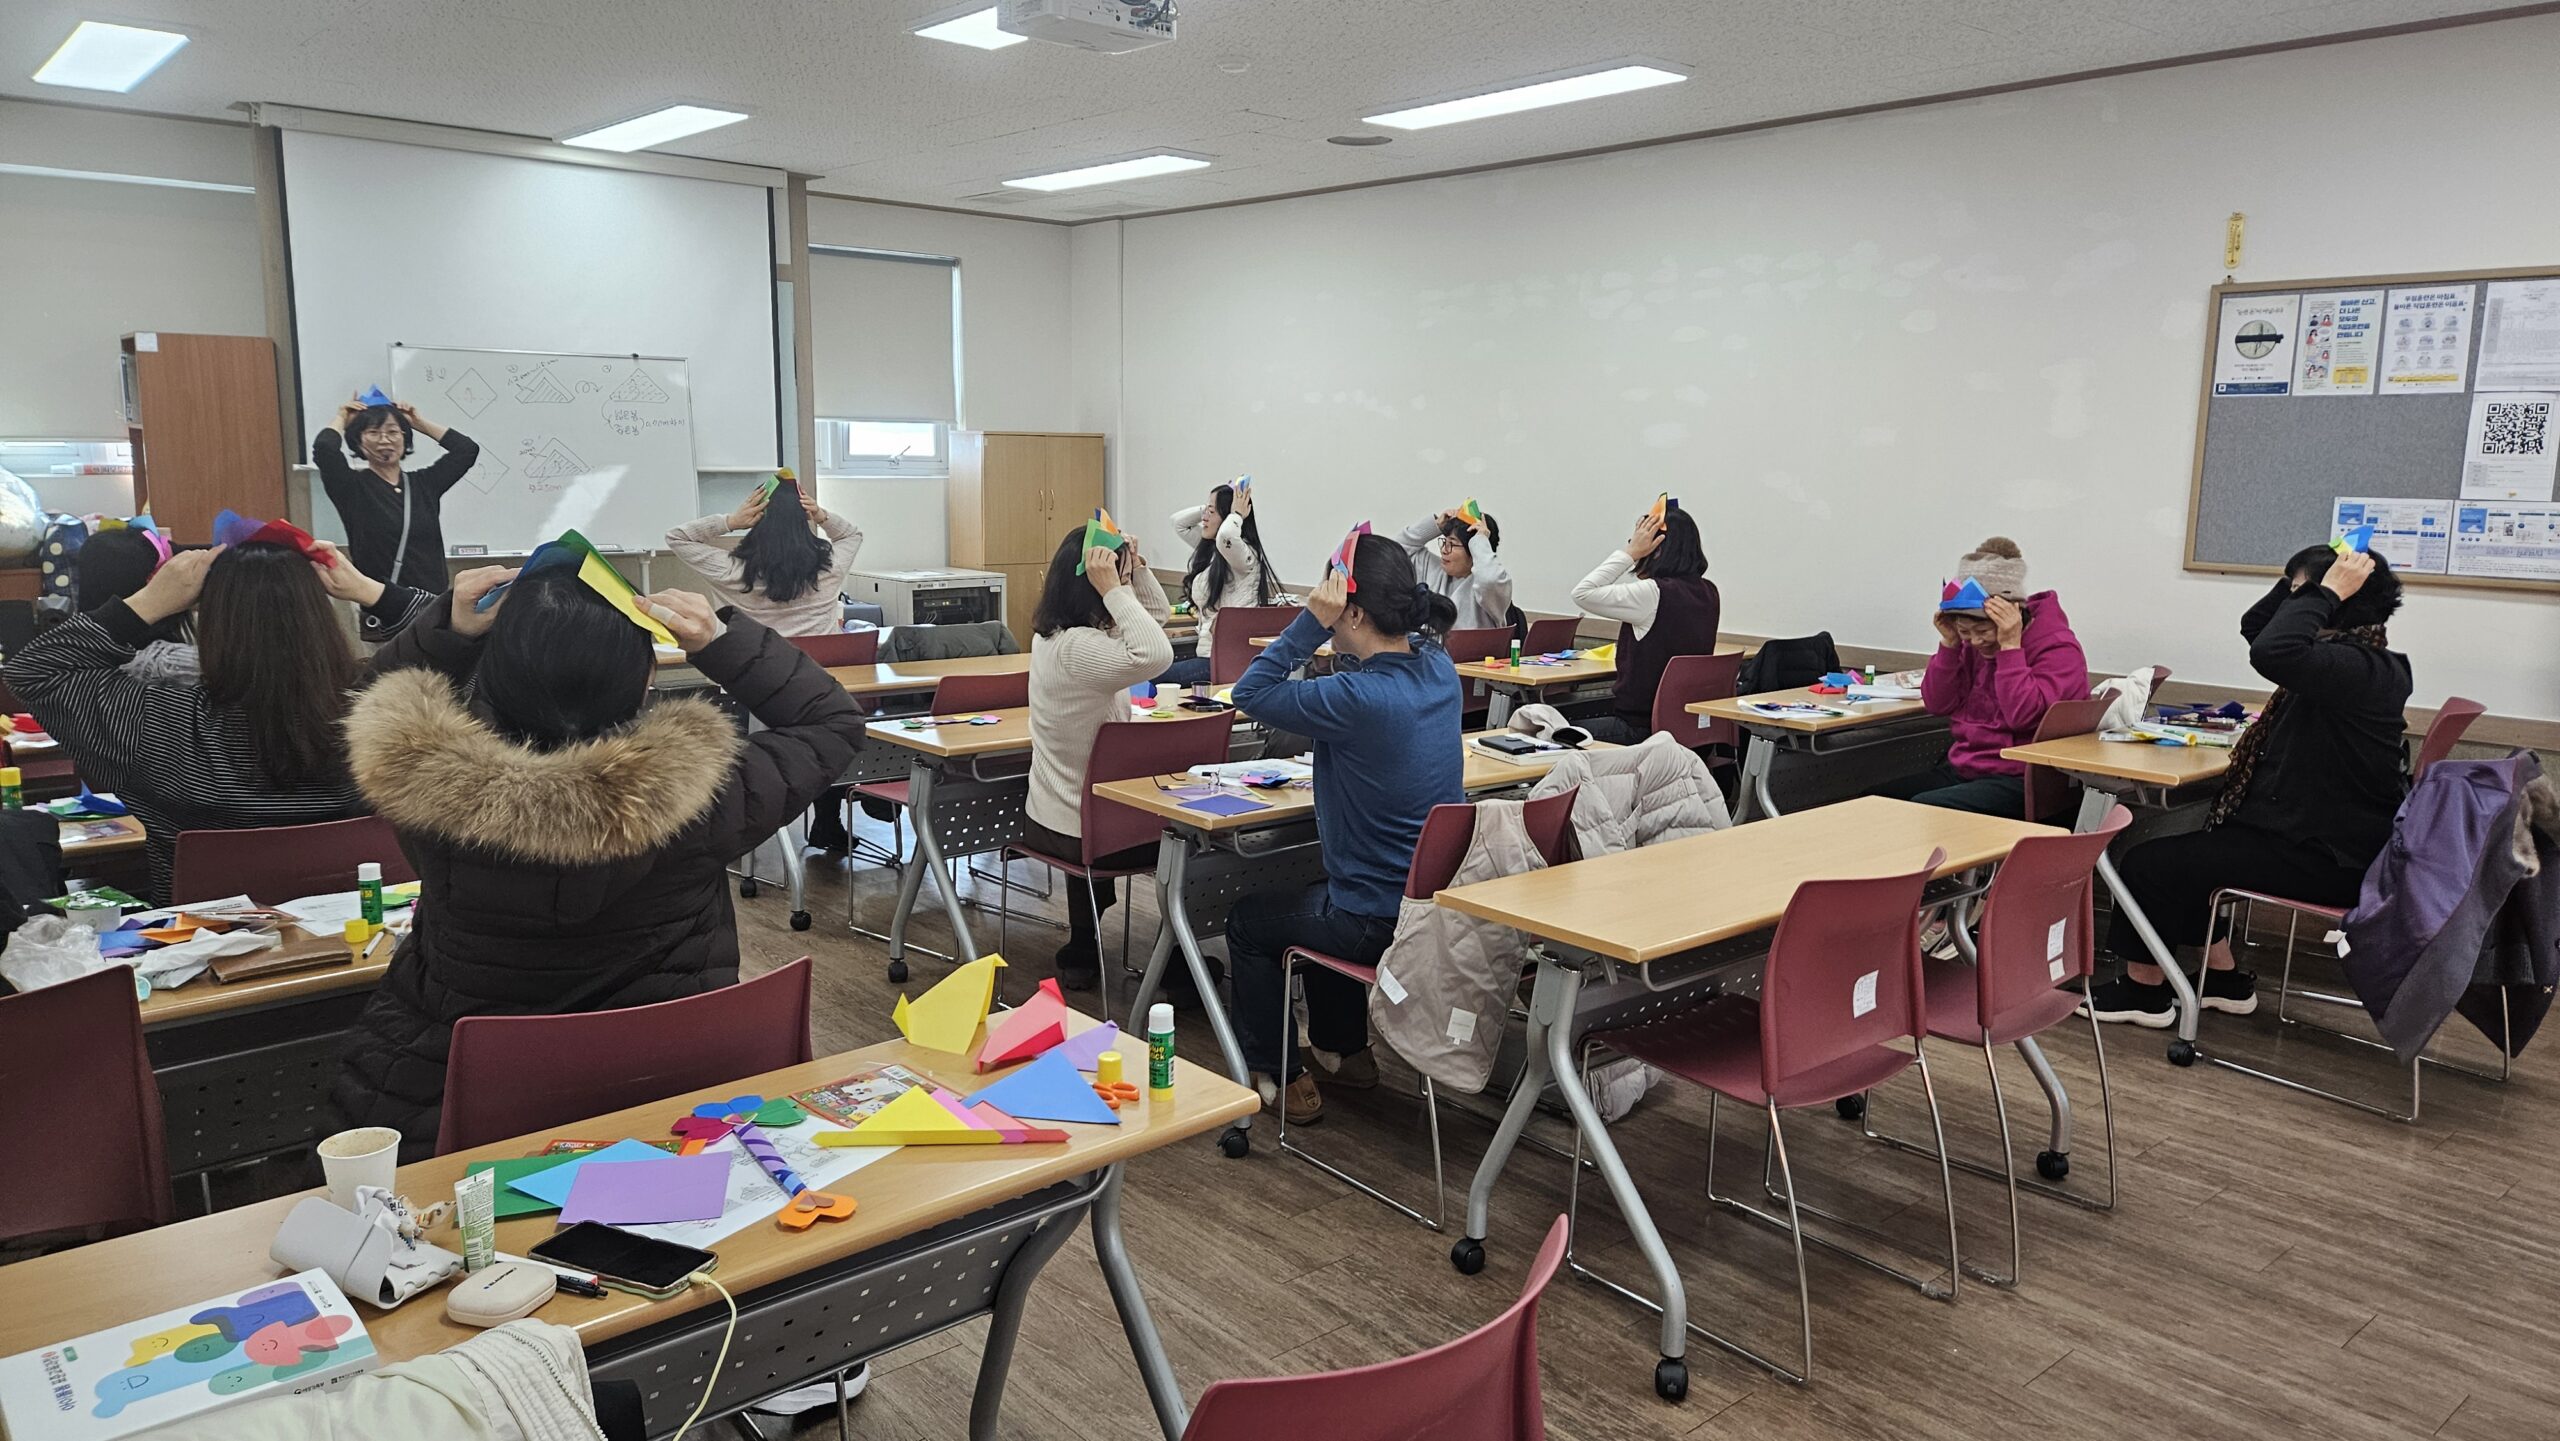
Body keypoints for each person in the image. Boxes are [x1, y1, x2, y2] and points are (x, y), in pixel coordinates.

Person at [329, 568, 866, 1157]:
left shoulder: (423, 781)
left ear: (492, 672)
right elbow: (832, 720)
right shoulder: (704, 797)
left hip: (472, 1118)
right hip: (680, 1108)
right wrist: (718, 639)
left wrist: (448, 632)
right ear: (646, 678)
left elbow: (371, 704)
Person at [2085, 544, 2411, 1026]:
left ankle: (2144, 992)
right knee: (2197, 851)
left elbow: (2271, 649)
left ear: (2336, 602)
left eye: (2301, 594)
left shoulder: (2357, 668)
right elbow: (2256, 627)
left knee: (2150, 863)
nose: (2294, 601)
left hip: (2329, 856)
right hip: (2318, 839)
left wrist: (2324, 589)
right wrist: (2303, 574)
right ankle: (2222, 981)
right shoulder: (2355, 658)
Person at [4, 538, 431, 902]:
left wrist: (149, 603)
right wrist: (373, 592)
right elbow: (467, 637)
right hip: (374, 938)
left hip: (205, 945)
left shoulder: (156, 724)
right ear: (322, 616)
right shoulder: (386, 710)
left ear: (208, 623)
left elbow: (34, 670)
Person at [1226, 533, 1465, 1124]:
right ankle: (1344, 1052)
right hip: (1429, 910)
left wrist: (1311, 623)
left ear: (1352, 613)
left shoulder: (1355, 697)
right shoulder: (1439, 668)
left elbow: (1249, 692)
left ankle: (1278, 1073)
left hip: (1372, 920)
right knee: (1322, 893)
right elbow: (1390, 654)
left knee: (1249, 924)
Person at [1020, 527, 1174, 991]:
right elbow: (1157, 651)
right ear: (1094, 585)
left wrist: (1135, 571)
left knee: (1094, 797)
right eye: (1115, 577)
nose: (1123, 585)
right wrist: (1116, 588)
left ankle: (1085, 944)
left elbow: (1156, 618)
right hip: (1085, 829)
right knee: (1185, 836)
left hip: (1068, 816)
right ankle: (1176, 961)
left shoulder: (1059, 637)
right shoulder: (1078, 648)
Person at [1875, 537, 2089, 816]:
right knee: (1872, 804)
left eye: (1984, 632)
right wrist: (1950, 645)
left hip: (2026, 778)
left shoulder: (2058, 648)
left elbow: (2023, 716)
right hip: (1968, 768)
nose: (1975, 642)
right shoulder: (1968, 646)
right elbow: (1938, 704)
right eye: (1966, 632)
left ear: (2014, 616)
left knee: (1926, 811)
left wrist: (2010, 648)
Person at [1570, 504, 1722, 742]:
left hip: (1640, 729)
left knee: (1542, 732)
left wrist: (1629, 553)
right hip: (1688, 729)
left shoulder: (1653, 593)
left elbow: (1582, 594)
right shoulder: (1709, 592)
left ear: (1657, 549)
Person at [312, 395, 480, 609]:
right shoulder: (351, 487)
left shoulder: (424, 484)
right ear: (358, 441)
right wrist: (342, 418)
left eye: (392, 432)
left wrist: (418, 423)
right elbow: (325, 448)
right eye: (373, 432)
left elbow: (466, 449)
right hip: (383, 606)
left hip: (431, 605)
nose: (384, 440)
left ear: (404, 438)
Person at [665, 473, 865, 636]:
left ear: (756, 518)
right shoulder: (830, 567)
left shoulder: (729, 570)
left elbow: (676, 537)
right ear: (804, 516)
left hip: (751, 672)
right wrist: (821, 515)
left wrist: (732, 521)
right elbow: (851, 535)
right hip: (815, 672)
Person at [1165, 481, 1283, 685]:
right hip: (1208, 656)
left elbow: (1226, 536)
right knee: (1149, 669)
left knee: (1150, 677)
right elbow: (1178, 523)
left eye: (1211, 512)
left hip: (1228, 661)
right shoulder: (1214, 551)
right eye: (1206, 511)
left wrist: (1236, 513)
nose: (1204, 517)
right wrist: (1210, 507)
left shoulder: (1244, 556)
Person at [1398, 506, 1512, 633]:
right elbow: (1394, 553)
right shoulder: (1434, 568)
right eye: (1444, 542)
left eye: (1452, 544)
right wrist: (1435, 526)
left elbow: (1489, 580)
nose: (1444, 550)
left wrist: (1480, 539)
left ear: (1474, 550)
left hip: (1473, 646)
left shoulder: (1491, 589)